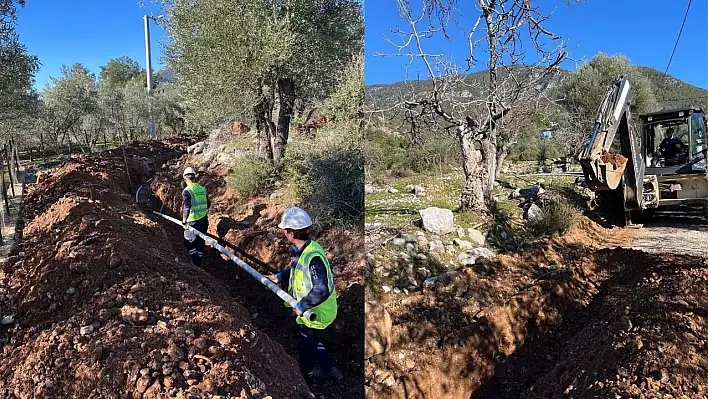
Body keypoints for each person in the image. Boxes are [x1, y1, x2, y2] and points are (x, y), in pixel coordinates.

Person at [266, 207, 343, 390]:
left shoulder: (312, 257)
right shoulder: (303, 249)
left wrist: (301, 305)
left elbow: (321, 289)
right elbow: (296, 270)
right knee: (313, 340)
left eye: (285, 230)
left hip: (317, 313)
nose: (283, 233)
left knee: (305, 348)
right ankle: (330, 366)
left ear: (291, 233)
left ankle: (306, 380)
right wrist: (279, 277)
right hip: (311, 310)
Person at [181, 166, 211, 267]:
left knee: (188, 242)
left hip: (192, 222)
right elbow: (208, 204)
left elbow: (187, 207)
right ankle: (199, 261)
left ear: (185, 178)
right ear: (195, 177)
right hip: (203, 220)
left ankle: (196, 263)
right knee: (200, 241)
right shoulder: (202, 189)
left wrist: (184, 220)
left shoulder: (187, 191)